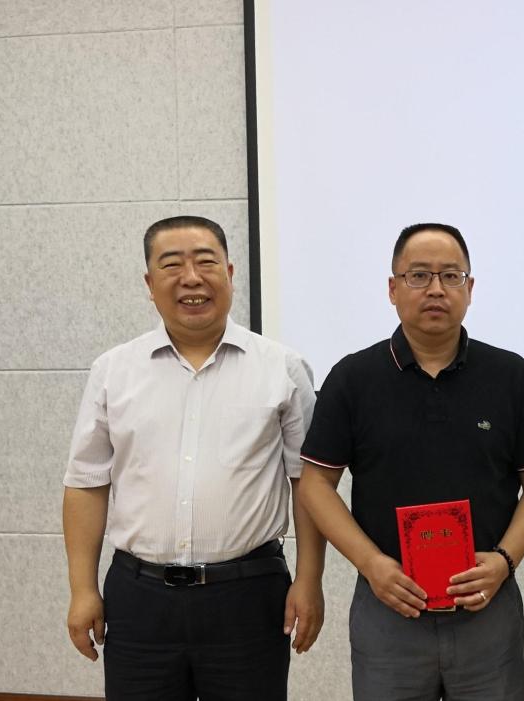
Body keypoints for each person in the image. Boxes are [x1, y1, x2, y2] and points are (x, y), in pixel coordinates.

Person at [62, 215, 326, 701]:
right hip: (139, 599)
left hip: (248, 595)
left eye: (206, 262)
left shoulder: (283, 368)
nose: (191, 278)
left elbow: (308, 483)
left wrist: (310, 580)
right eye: (172, 265)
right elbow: (86, 483)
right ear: (149, 284)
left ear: (230, 272)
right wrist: (82, 590)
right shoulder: (113, 370)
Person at [299, 223, 524, 701]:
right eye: (419, 275)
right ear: (392, 288)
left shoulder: (510, 375)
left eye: (451, 276)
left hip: (487, 607)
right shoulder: (353, 378)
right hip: (388, 606)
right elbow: (316, 483)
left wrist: (505, 561)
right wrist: (371, 564)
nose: (436, 289)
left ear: (470, 288)